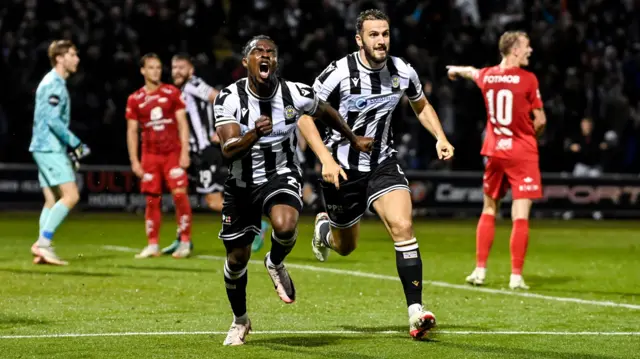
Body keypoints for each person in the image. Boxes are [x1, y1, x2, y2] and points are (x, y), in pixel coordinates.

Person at [299, 9, 454, 340]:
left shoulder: (402, 71)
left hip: (383, 163)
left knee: (403, 225)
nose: (381, 40)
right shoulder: (339, 73)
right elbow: (304, 114)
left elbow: (421, 105)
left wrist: (440, 137)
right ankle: (325, 230)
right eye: (374, 35)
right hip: (341, 169)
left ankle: (415, 311)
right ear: (360, 39)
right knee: (345, 246)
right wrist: (325, 158)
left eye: (385, 34)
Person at [214, 35, 372, 346]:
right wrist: (254, 135)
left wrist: (353, 138)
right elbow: (229, 149)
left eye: (270, 52)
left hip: (280, 173)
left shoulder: (295, 93)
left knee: (285, 226)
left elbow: (324, 110)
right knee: (236, 260)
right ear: (245, 62)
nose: (265, 56)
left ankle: (274, 261)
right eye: (258, 52)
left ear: (275, 62)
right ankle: (241, 320)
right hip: (241, 184)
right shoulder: (228, 98)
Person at [446, 30, 547, 290]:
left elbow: (472, 72)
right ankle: (516, 276)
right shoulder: (528, 79)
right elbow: (541, 120)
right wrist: (528, 137)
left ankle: (479, 271)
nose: (530, 51)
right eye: (526, 46)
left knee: (489, 208)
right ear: (514, 50)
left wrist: (456, 69)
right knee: (520, 214)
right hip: (521, 153)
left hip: (494, 151)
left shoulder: (488, 76)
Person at [167, 53, 269, 256]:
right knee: (180, 193)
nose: (177, 71)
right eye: (174, 67)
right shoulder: (180, 91)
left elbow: (221, 97)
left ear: (191, 70)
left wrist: (220, 127)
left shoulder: (194, 84)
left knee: (212, 201)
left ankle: (256, 223)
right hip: (195, 153)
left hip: (207, 151)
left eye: (181, 67)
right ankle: (182, 237)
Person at [125, 53, 193, 259]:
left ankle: (185, 241)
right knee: (152, 201)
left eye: (158, 67)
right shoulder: (135, 99)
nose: (156, 71)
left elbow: (183, 124)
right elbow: (131, 131)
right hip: (150, 156)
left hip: (172, 153)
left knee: (180, 195)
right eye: (151, 67)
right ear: (143, 71)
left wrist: (185, 152)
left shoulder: (172, 93)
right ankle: (152, 244)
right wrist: (134, 161)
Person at [29, 40, 90, 266]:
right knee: (71, 195)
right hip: (49, 147)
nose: (77, 59)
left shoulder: (53, 82)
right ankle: (43, 243)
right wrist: (77, 144)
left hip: (42, 146)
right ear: (60, 58)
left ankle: (42, 248)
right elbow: (53, 121)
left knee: (51, 199)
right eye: (72, 54)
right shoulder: (54, 83)